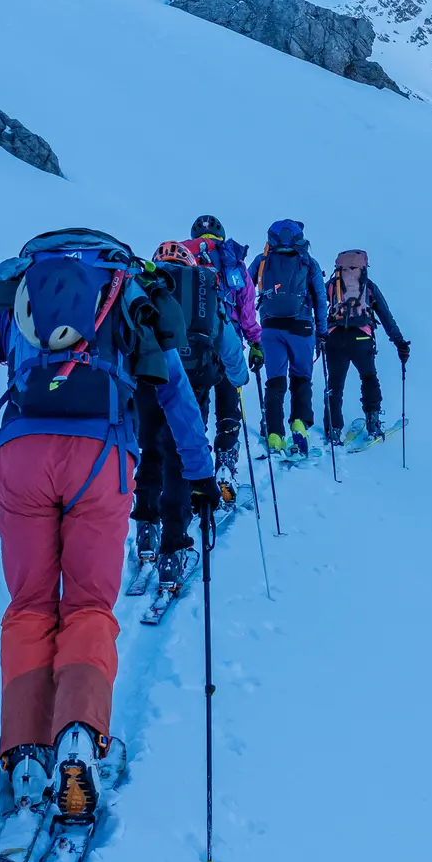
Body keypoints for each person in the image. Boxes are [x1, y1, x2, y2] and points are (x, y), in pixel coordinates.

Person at [0, 229, 218, 823]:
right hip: (104, 461)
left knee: (30, 604)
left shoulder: (19, 294)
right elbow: (175, 395)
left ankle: (22, 748)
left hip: (22, 456)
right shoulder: (127, 294)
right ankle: (78, 737)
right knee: (90, 605)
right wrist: (198, 476)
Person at [132, 241, 243, 589]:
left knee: (149, 454)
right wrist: (238, 379)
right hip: (193, 387)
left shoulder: (144, 288)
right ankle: (173, 549)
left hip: (147, 384)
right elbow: (229, 345)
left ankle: (146, 530)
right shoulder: (205, 293)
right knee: (181, 463)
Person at [178, 215, 259, 478]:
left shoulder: (182, 258)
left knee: (193, 409)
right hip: (228, 340)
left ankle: (193, 471)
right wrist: (255, 341)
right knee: (228, 406)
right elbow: (247, 308)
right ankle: (226, 464)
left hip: (188, 346)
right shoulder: (232, 260)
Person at [250, 220, 327, 457]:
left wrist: (248, 328)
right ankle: (299, 424)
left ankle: (274, 434)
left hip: (270, 328)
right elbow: (321, 300)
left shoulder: (262, 261)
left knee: (275, 381)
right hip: (302, 328)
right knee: (301, 379)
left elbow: (244, 291)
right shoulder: (308, 262)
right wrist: (322, 332)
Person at [322, 248, 410, 444]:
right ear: (363, 266)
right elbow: (386, 317)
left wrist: (318, 336)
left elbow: (319, 309)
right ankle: (373, 421)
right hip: (362, 339)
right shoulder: (368, 287)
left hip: (334, 338)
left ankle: (333, 429)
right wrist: (400, 344)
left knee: (334, 384)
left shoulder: (331, 286)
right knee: (369, 377)